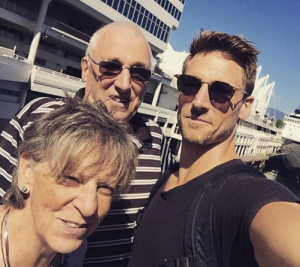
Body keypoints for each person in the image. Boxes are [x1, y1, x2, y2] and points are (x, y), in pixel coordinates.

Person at [0, 21, 169, 266]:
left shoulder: (154, 140)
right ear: (86, 69)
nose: (124, 84)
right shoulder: (40, 115)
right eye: (111, 67)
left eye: (138, 73)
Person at [128, 30, 300, 267]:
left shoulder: (241, 194)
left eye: (221, 91)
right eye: (190, 85)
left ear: (245, 106)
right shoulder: (168, 176)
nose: (199, 102)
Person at [0, 96, 137, 267]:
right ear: (28, 171)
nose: (89, 208)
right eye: (70, 179)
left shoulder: (75, 251)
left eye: (105, 187)